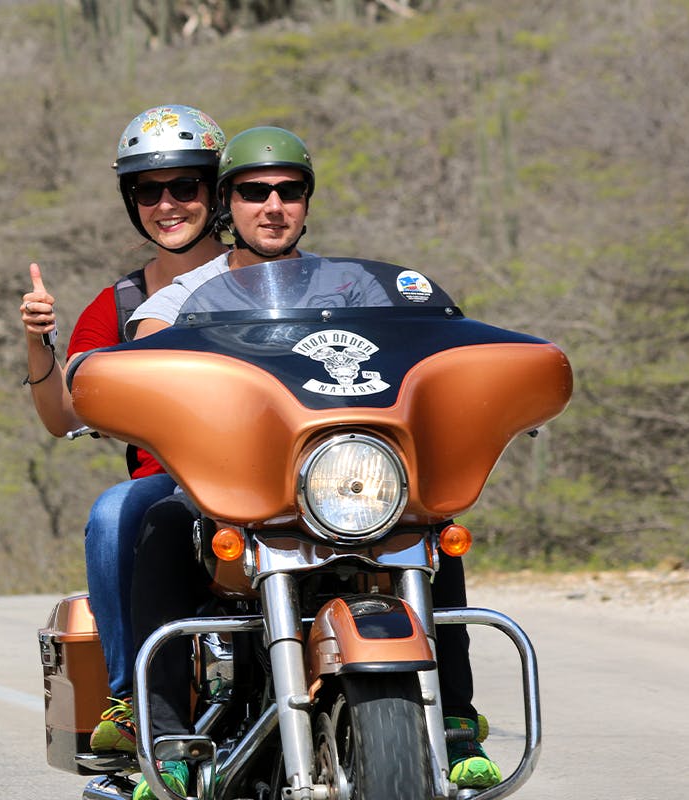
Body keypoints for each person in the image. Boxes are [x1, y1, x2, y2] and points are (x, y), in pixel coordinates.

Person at [127, 127, 502, 798]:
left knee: (433, 519)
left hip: (347, 479)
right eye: (252, 192)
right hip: (238, 485)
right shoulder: (180, 301)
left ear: (306, 201)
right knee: (158, 525)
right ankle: (168, 741)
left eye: (288, 191)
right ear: (224, 203)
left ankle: (455, 722)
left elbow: (431, 348)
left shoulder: (360, 287)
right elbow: (148, 366)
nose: (272, 206)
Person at [17, 105, 228, 757]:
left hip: (274, 473)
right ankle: (131, 697)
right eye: (147, 190)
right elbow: (62, 416)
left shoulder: (265, 273)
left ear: (216, 190)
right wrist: (38, 343)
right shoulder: (121, 304)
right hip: (168, 483)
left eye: (185, 186)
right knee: (114, 514)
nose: (167, 203)